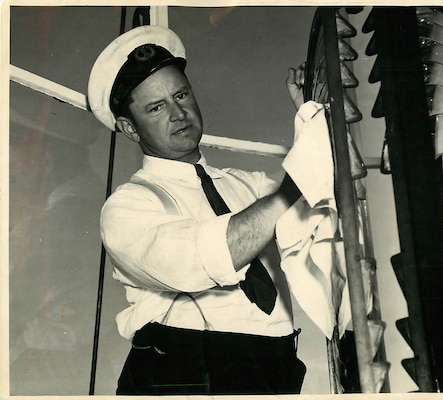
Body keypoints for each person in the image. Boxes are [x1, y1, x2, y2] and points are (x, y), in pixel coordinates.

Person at [88, 25, 308, 395]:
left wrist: (312, 119)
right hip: (182, 370)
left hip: (273, 365)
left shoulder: (248, 185)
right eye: (157, 107)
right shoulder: (127, 206)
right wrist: (293, 189)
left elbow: (323, 208)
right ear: (129, 127)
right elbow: (206, 258)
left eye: (181, 95)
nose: (179, 114)